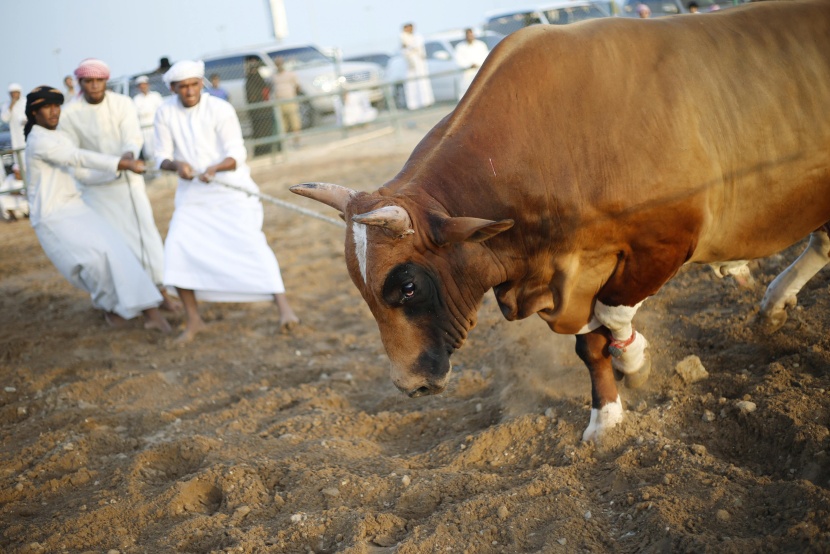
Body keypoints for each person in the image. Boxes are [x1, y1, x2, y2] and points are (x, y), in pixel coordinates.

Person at [155, 60, 299, 342]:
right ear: (173, 88)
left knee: (251, 243)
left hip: (230, 190)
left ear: (201, 84)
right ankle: (194, 320)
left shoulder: (219, 108)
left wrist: (214, 169)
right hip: (192, 195)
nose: (189, 91)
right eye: (182, 86)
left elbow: (236, 153)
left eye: (194, 84)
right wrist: (177, 165)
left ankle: (284, 308)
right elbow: (161, 156)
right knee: (176, 247)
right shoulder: (164, 111)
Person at [23, 85, 170, 331]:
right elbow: (77, 157)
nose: (54, 111)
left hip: (76, 207)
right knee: (93, 262)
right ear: (34, 113)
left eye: (57, 105)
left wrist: (120, 165)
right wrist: (121, 163)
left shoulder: (57, 135)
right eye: (46, 107)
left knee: (117, 251)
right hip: (52, 216)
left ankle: (151, 313)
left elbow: (82, 164)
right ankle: (111, 308)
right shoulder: (38, 140)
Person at [59, 58, 177, 313]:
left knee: (147, 238)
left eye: (99, 80)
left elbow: (132, 138)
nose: (94, 86)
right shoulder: (69, 114)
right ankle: (132, 303)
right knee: (115, 247)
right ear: (80, 82)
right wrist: (115, 166)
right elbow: (75, 161)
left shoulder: (122, 104)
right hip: (96, 192)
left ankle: (161, 291)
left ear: (106, 81)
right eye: (88, 81)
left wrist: (128, 157)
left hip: (130, 185)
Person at [245, 55, 275, 156]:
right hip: (256, 112)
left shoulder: (260, 77)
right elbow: (251, 95)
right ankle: (261, 151)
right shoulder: (249, 80)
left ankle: (268, 149)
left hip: (264, 110)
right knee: (258, 132)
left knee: (266, 130)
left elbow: (266, 89)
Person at [400, 23, 434, 110]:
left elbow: (418, 47)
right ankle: (413, 104)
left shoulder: (417, 36)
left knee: (423, 82)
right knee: (411, 84)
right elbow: (404, 48)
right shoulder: (403, 36)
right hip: (410, 64)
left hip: (420, 63)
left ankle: (426, 102)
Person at [132, 75, 164, 166]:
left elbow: (161, 110)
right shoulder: (136, 100)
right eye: (141, 85)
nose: (143, 87)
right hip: (144, 129)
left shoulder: (156, 96)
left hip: (156, 127)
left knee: (159, 148)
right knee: (148, 151)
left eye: (144, 84)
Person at [271, 57, 302, 148]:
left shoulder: (290, 74)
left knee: (295, 123)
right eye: (277, 63)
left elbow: (297, 86)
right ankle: (285, 146)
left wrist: (293, 95)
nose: (279, 65)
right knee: (282, 126)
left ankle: (297, 143)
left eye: (280, 63)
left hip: (290, 101)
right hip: (279, 103)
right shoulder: (273, 76)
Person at [454, 28, 490, 98]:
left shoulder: (481, 45)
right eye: (468, 35)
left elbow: (485, 57)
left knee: (481, 90)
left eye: (471, 34)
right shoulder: (460, 47)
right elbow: (458, 61)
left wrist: (477, 64)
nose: (470, 36)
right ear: (465, 36)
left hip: (479, 71)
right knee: (465, 93)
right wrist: (469, 65)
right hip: (466, 73)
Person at [1, 83, 27, 169]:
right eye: (12, 93)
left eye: (15, 92)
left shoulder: (26, 102)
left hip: (27, 133)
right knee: (19, 159)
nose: (14, 95)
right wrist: (11, 105)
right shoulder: (6, 105)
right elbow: (4, 119)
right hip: (16, 137)